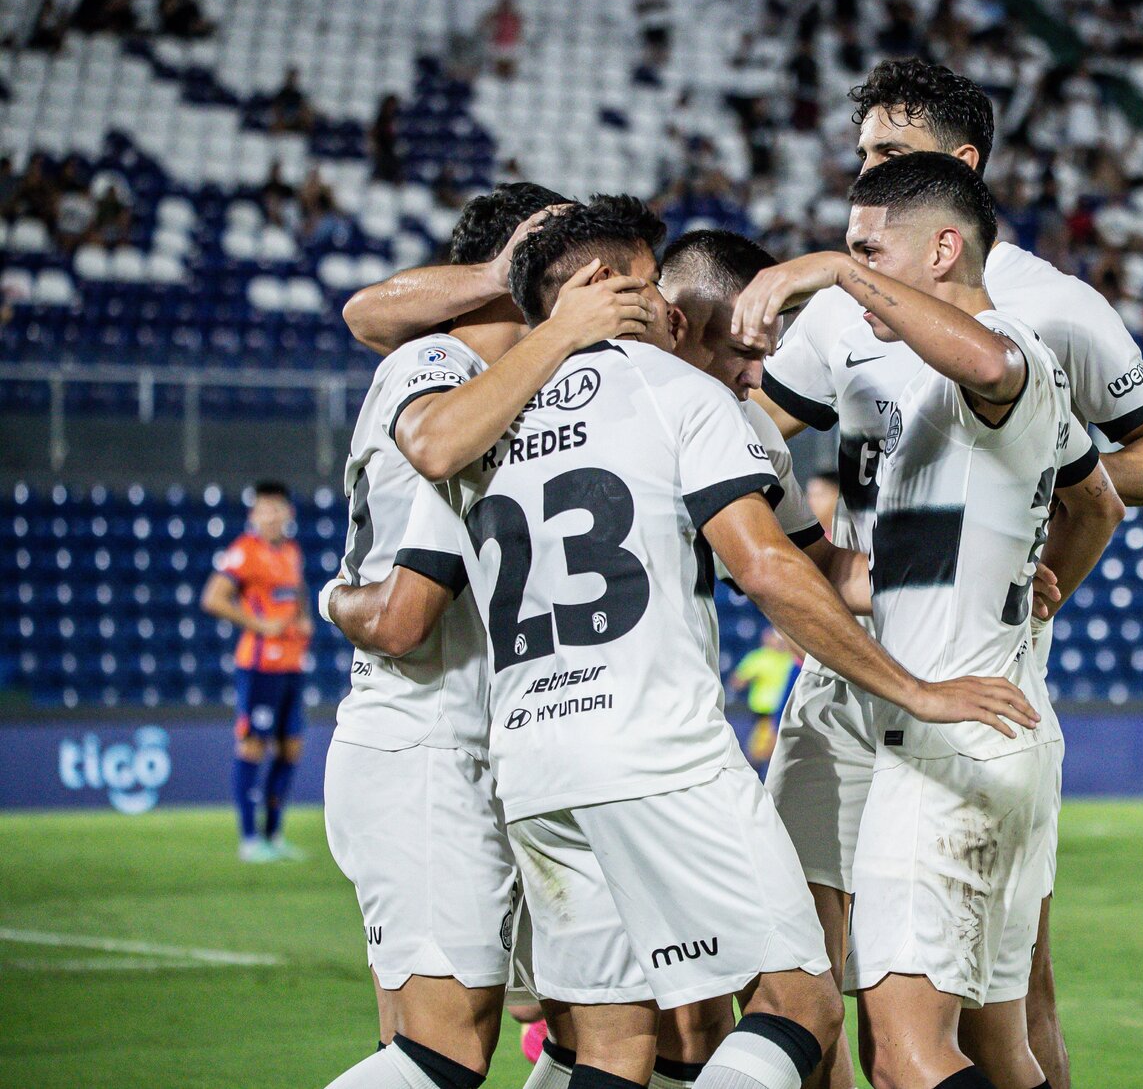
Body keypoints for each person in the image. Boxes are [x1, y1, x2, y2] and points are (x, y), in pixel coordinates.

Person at [343, 196, 1038, 1089]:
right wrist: (918, 689)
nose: (668, 306)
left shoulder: (485, 415)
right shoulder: (680, 394)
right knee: (801, 1005)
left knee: (610, 1044)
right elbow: (771, 568)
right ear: (606, 287)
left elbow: (421, 513)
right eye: (648, 283)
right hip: (657, 749)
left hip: (532, 766)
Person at [750, 58, 1143, 1089]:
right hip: (849, 666)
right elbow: (744, 439)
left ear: (958, 170)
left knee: (1001, 1010)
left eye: (889, 151)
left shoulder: (1043, 310)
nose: (865, 169)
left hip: (970, 669)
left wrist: (1026, 518)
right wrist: (819, 555)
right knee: (799, 986)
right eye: (862, 152)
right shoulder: (845, 303)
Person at [314, 182, 593, 1089]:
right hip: (428, 745)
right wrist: (335, 599)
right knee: (443, 1054)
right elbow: (403, 616)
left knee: (580, 1026)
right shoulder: (442, 373)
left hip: (475, 748)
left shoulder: (503, 391)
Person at [199, 481, 312, 863]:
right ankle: (249, 840)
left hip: (292, 664)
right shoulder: (245, 551)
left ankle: (273, 834)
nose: (271, 515)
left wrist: (304, 619)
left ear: (288, 513)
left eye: (277, 508)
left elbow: (296, 593)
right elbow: (213, 598)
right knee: (252, 746)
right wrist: (258, 625)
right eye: (264, 508)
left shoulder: (292, 551)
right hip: (260, 665)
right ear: (253, 514)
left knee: (290, 747)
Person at [730, 628, 801, 771]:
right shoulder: (758, 657)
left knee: (771, 750)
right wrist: (748, 678)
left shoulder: (789, 658)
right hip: (763, 712)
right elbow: (737, 681)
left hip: (784, 710)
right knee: (760, 750)